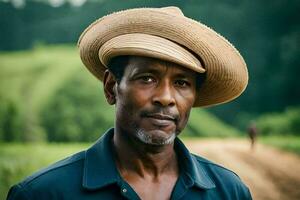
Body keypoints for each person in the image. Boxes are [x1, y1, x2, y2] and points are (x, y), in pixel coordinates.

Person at [7, 6, 252, 200]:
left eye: (182, 83)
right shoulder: (42, 194)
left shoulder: (230, 192)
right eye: (147, 78)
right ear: (111, 87)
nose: (166, 98)